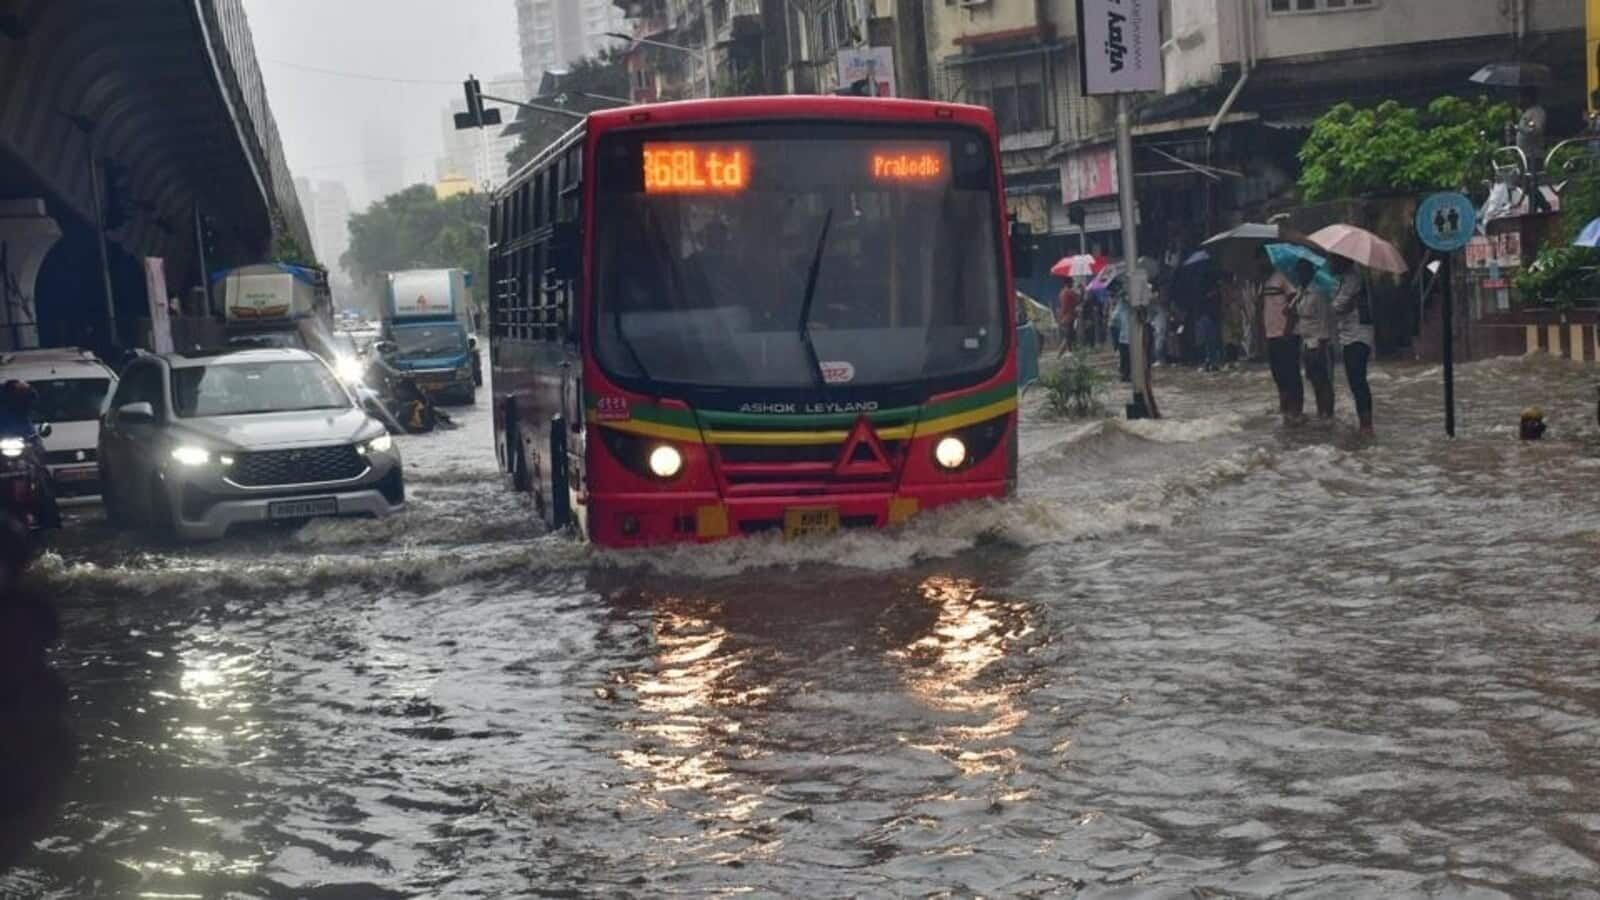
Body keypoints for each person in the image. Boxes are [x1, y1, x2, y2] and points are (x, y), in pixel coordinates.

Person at [0, 380, 60, 530]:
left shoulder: (25, 410)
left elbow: (34, 435)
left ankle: (51, 521)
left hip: (25, 447)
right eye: (20, 393)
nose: (24, 397)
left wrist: (35, 444)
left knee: (42, 476)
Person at [1330, 256, 1375, 434]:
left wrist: (1336, 304)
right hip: (1350, 335)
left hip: (1358, 336)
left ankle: (1366, 425)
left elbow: (1337, 306)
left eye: (1333, 260)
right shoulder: (1344, 279)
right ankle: (1364, 423)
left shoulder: (1352, 279)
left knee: (1358, 381)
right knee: (1355, 381)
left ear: (1343, 261)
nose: (1330, 263)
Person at [1290, 259, 1337, 420]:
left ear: (1310, 273)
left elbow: (1324, 321)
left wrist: (1322, 347)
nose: (1300, 275)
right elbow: (1296, 316)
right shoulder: (1300, 293)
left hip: (1319, 344)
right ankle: (1320, 412)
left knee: (1324, 381)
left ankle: (1328, 415)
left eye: (1303, 271)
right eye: (1298, 272)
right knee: (1314, 381)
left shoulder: (1318, 294)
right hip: (1306, 343)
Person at [1260, 255, 1303, 422]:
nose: (1259, 264)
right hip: (1271, 335)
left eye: (1261, 260)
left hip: (1286, 335)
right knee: (1278, 375)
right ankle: (1284, 409)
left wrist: (1288, 329)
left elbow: (1293, 304)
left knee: (1292, 374)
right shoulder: (1265, 282)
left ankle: (1296, 411)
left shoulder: (1282, 278)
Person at [1057, 279, 1079, 353]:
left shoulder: (1061, 292)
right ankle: (1070, 351)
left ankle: (1066, 351)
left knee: (1068, 334)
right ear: (1068, 283)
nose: (1073, 284)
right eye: (1072, 283)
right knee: (1070, 334)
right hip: (1070, 316)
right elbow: (1077, 301)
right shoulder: (1070, 292)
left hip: (1063, 316)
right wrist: (1081, 291)